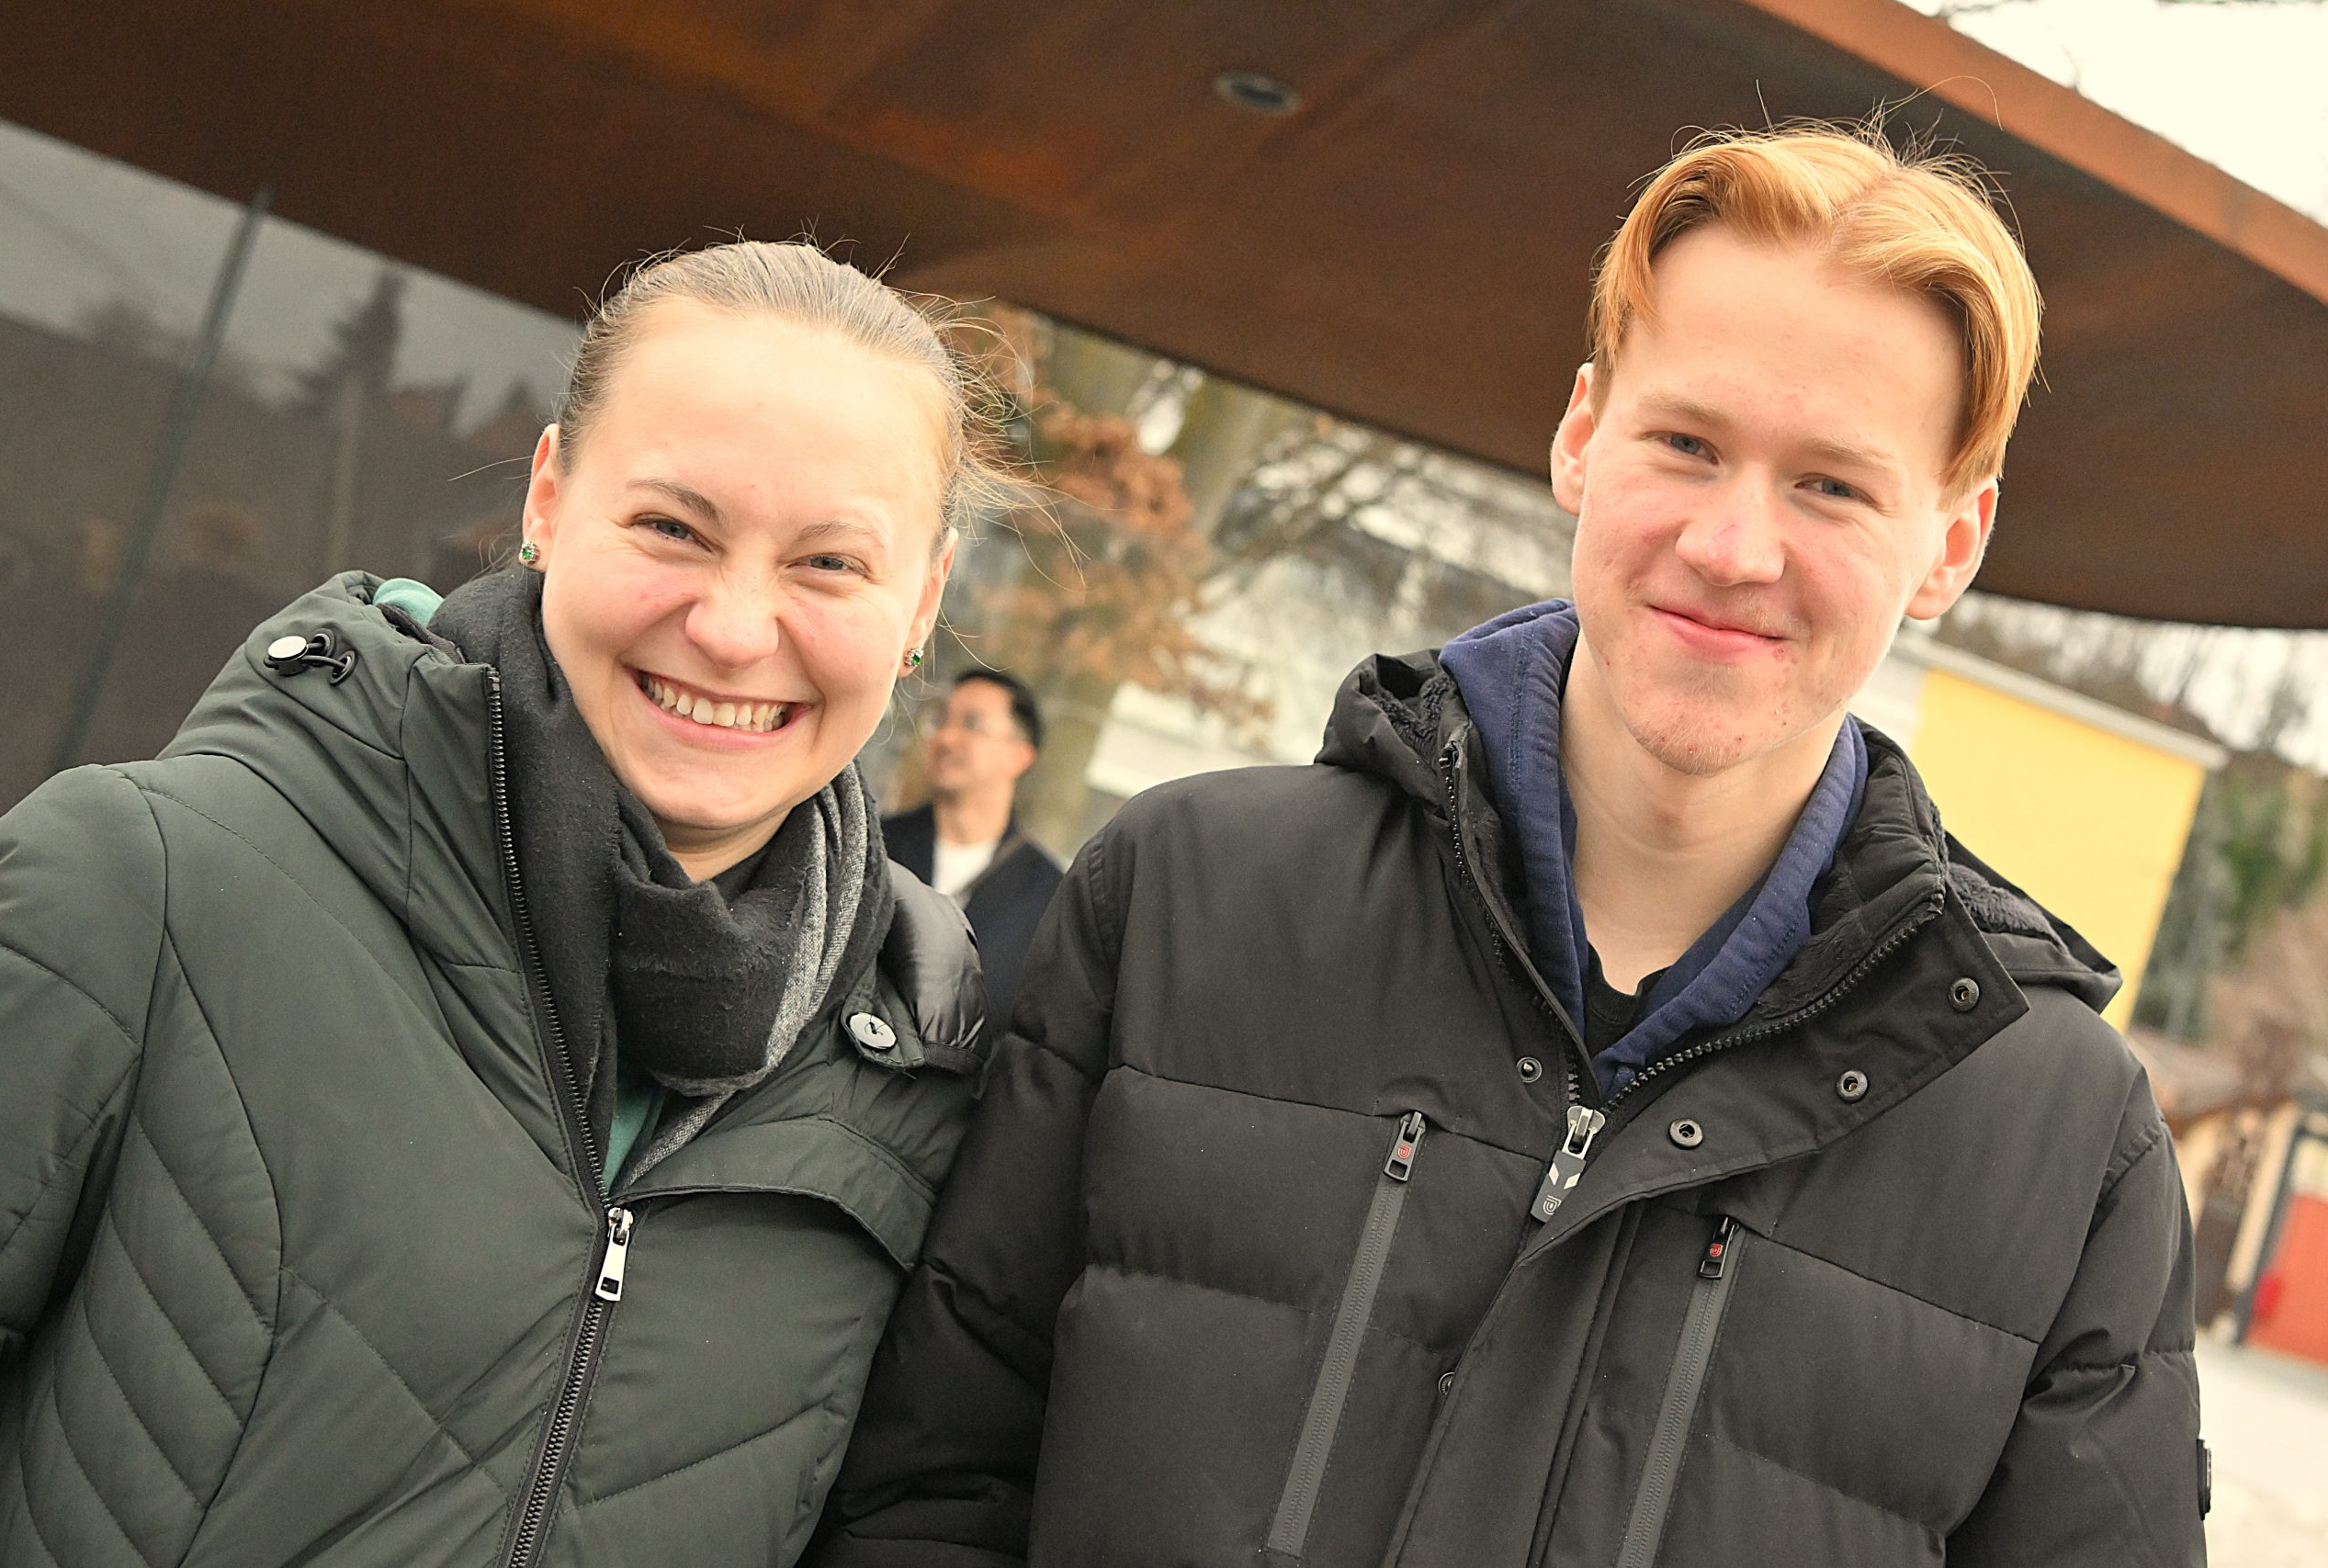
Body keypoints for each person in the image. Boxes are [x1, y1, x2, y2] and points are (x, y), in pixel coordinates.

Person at [808, 127, 2207, 1567]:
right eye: (1688, 443)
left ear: (1952, 545)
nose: (1734, 545)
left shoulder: (2065, 1141)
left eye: (1832, 485)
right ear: (1582, 436)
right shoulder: (1184, 897)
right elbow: (934, 1489)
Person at [0, 241, 1020, 1564]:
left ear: (923, 601)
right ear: (547, 498)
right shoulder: (143, 883)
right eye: (672, 527)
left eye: (829, 563)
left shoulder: (920, 1089)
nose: (733, 627)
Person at [883, 669, 1063, 1045]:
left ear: (1020, 755)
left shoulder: (1048, 894)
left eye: (972, 724)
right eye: (941, 720)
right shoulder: (878, 846)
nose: (946, 738)